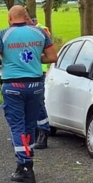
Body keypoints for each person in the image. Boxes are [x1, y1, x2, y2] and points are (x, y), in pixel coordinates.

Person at [0, 6, 57, 183]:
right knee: (29, 125)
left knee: (17, 126)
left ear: (9, 18)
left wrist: (10, 58)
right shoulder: (40, 32)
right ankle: (27, 163)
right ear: (26, 17)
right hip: (35, 84)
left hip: (13, 86)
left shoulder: (3, 34)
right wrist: (34, 58)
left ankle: (25, 166)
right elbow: (52, 57)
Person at [29, 15, 53, 149]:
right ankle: (33, 133)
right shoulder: (23, 30)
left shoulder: (41, 30)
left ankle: (43, 132)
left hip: (39, 71)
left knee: (38, 103)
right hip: (26, 71)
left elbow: (47, 50)